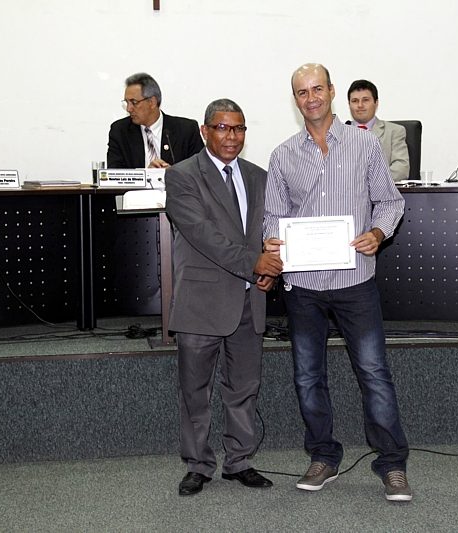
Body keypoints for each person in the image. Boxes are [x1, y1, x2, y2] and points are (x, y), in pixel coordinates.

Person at [264, 63, 412, 502]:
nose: (310, 98)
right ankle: (323, 455)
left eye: (317, 89)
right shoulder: (282, 154)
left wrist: (379, 232)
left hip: (354, 280)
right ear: (296, 100)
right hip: (304, 284)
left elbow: (390, 200)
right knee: (308, 377)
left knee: (373, 372)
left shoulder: (365, 145)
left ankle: (392, 464)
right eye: (301, 92)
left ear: (331, 92)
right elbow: (273, 216)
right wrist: (274, 241)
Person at [164, 98, 283, 497]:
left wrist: (269, 271)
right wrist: (257, 265)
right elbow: (205, 238)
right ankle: (198, 463)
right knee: (195, 390)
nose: (232, 136)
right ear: (205, 131)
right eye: (222, 128)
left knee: (244, 387)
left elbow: (269, 233)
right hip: (201, 300)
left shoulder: (260, 176)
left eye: (239, 129)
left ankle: (240, 462)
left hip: (250, 300)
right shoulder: (182, 176)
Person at [106, 73, 203, 169]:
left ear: (152, 102)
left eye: (134, 102)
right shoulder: (120, 131)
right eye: (127, 102)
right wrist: (148, 175)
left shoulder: (186, 130)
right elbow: (115, 172)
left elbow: (200, 170)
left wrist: (174, 175)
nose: (128, 109)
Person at [346, 79, 410, 182]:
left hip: (380, 195)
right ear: (349, 105)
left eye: (365, 100)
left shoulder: (395, 132)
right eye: (355, 101)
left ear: (376, 103)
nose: (360, 105)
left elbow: (401, 169)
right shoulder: (338, 134)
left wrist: (370, 183)